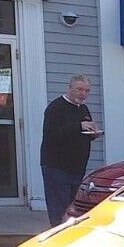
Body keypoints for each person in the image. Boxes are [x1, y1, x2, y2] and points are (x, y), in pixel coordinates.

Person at [39, 74, 99, 227]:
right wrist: (79, 126)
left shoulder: (83, 109)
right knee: (59, 209)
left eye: (86, 91)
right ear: (69, 88)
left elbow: (81, 134)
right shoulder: (56, 108)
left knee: (75, 209)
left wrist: (93, 134)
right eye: (79, 89)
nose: (83, 94)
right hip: (57, 167)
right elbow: (51, 135)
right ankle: (57, 237)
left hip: (77, 168)